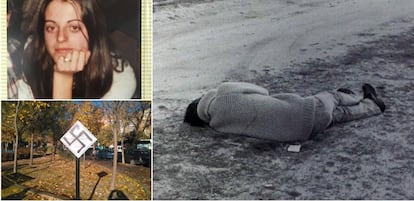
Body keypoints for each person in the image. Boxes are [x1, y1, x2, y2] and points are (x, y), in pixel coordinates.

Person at [184, 82, 385, 142]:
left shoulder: (218, 124)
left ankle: (373, 107)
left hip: (299, 133)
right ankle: (359, 97)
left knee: (337, 116)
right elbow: (263, 91)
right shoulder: (223, 92)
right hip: (307, 110)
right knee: (333, 97)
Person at [21, 0, 137, 99]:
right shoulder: (31, 52)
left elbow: (72, 125)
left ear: (93, 32)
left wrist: (63, 78)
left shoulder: (121, 79)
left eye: (74, 27)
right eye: (51, 27)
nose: (60, 37)